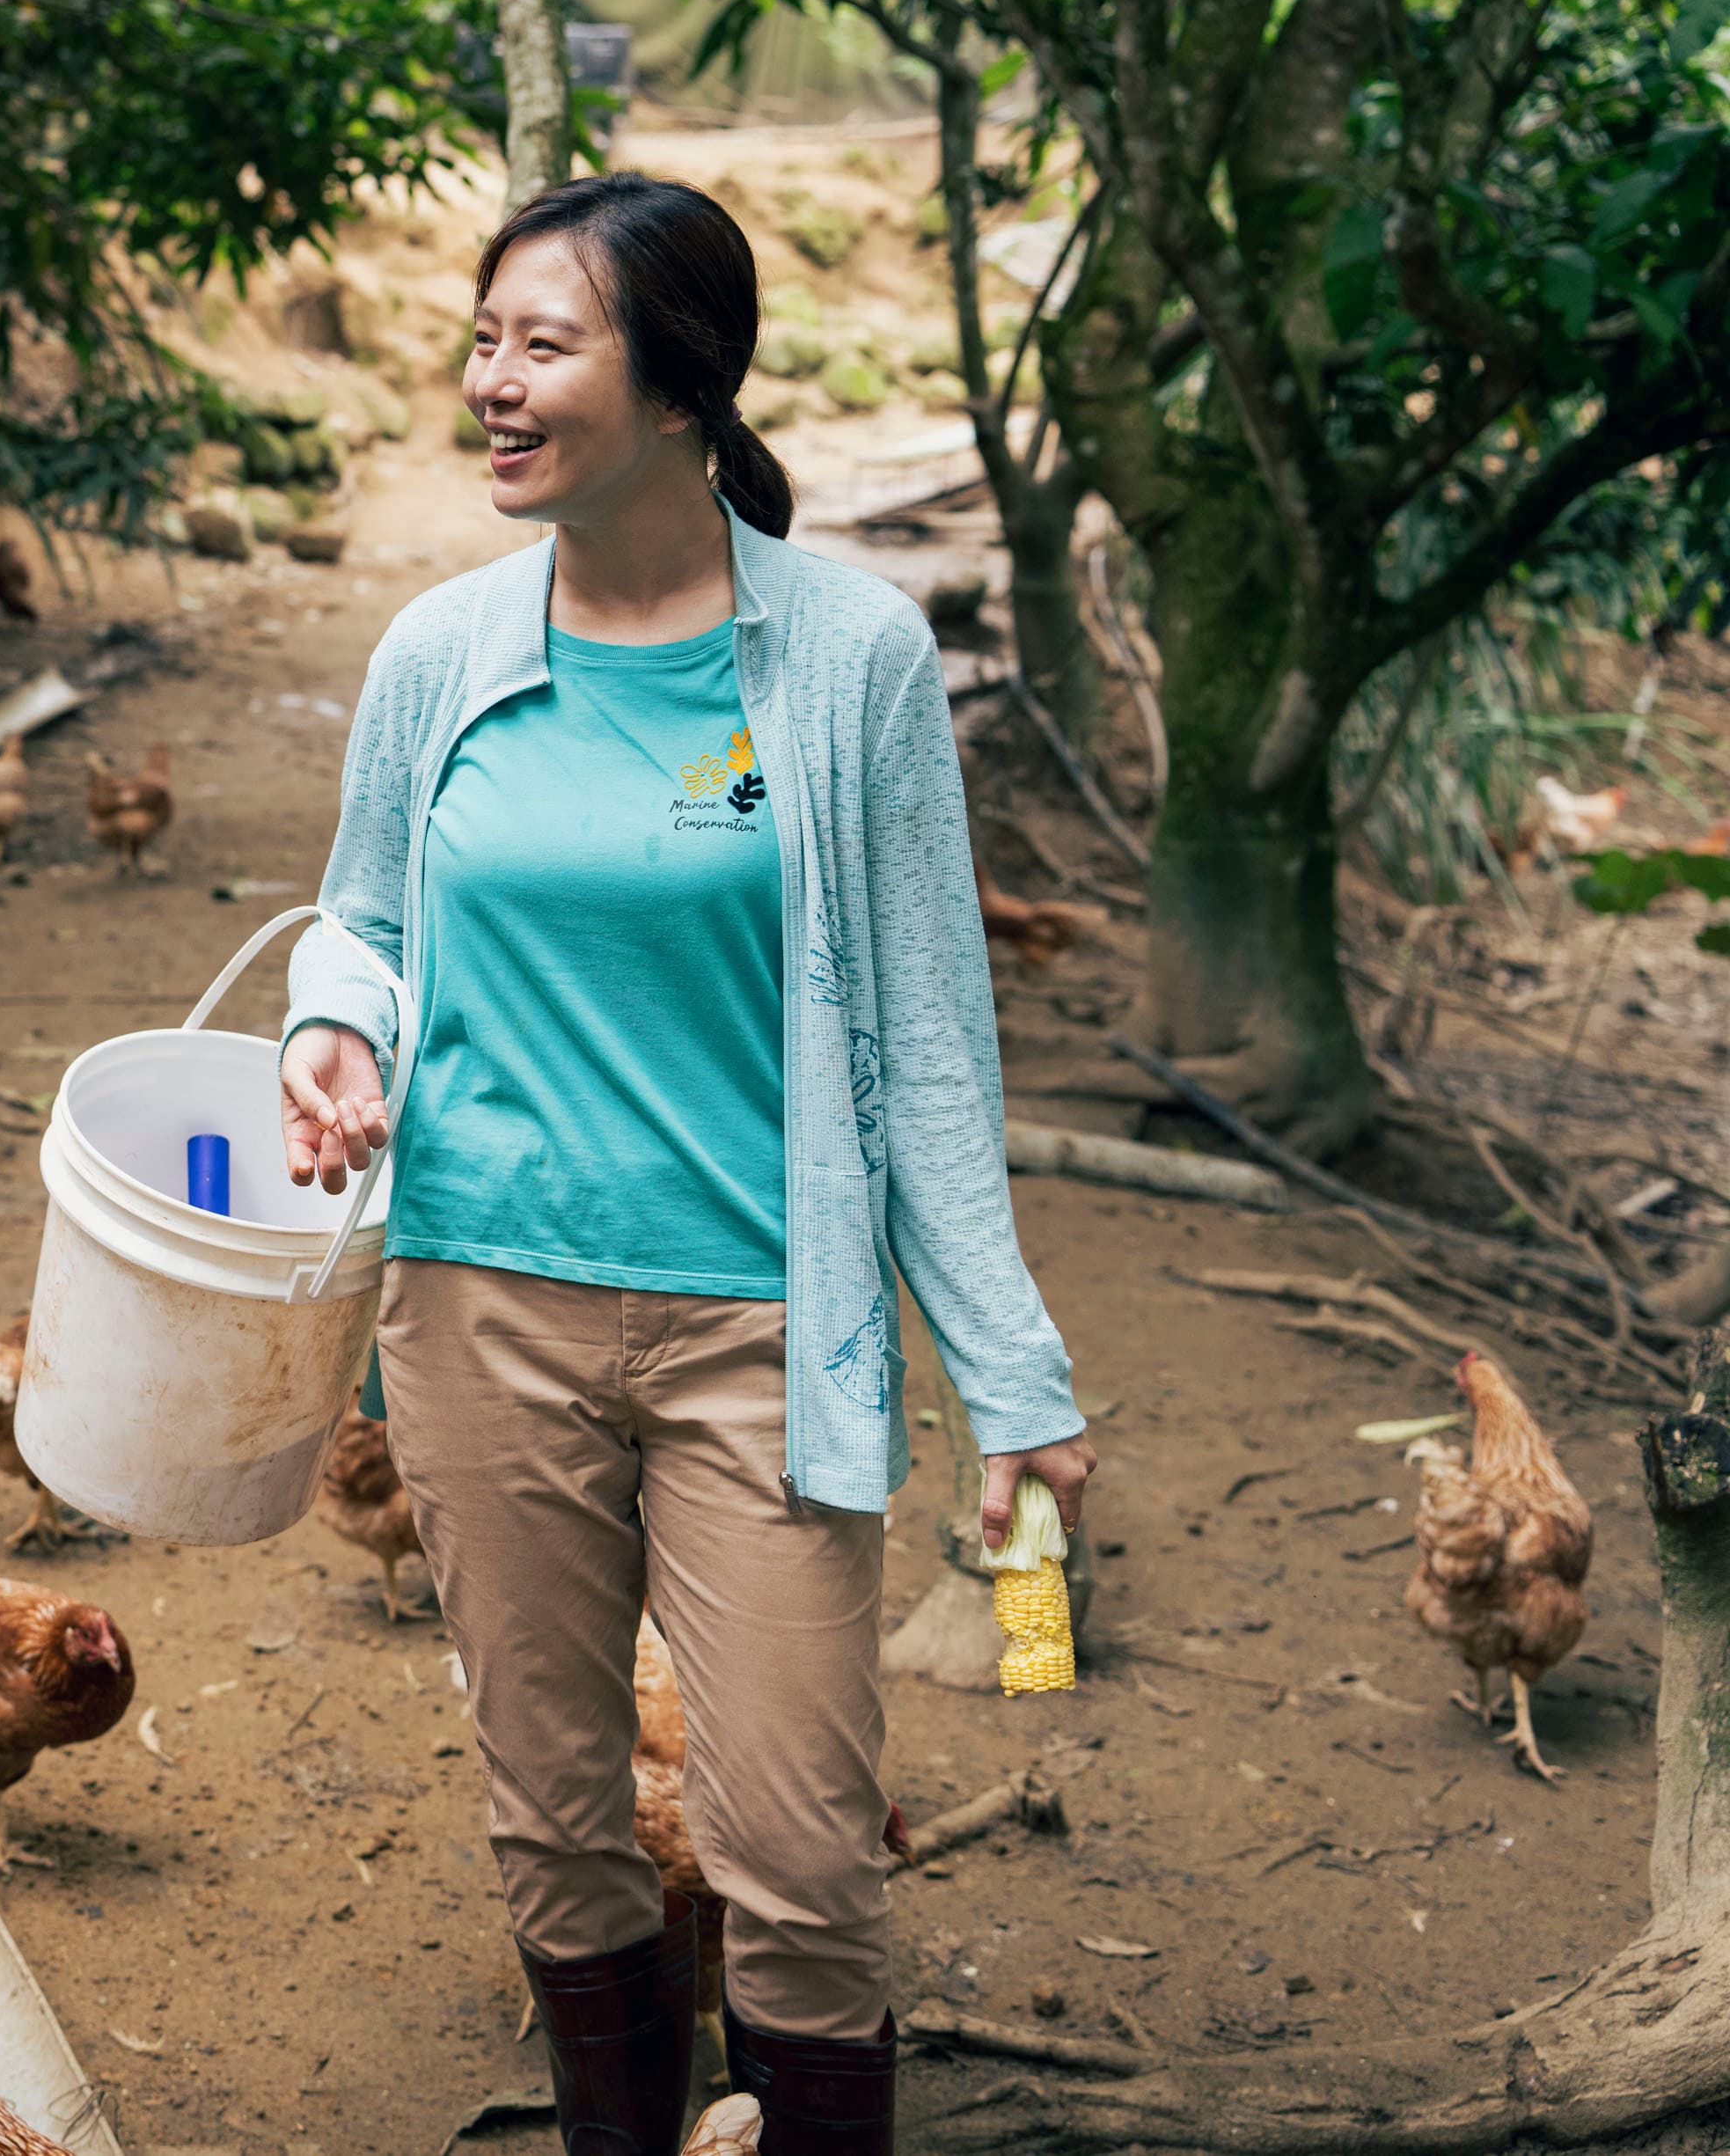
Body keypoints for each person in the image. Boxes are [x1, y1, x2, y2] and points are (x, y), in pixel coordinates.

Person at [275, 174, 1096, 2156]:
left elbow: (922, 1040)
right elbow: (359, 917)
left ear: (678, 389)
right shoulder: (438, 649)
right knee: (555, 1823)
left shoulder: (845, 660)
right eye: (477, 339)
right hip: (479, 1310)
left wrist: (1007, 1365)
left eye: (537, 344)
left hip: (760, 1329)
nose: (487, 380)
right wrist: (330, 1028)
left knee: (800, 1856)